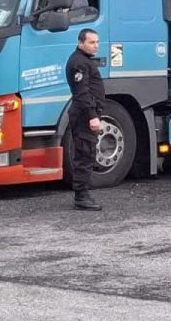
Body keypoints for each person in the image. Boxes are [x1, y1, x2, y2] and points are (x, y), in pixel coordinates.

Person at [65, 28, 106, 210]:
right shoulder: (79, 63)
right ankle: (81, 196)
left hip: (86, 113)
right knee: (84, 154)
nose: (96, 46)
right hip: (83, 115)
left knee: (87, 153)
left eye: (97, 42)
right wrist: (92, 116)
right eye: (91, 42)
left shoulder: (84, 61)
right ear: (81, 43)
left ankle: (83, 193)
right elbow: (82, 92)